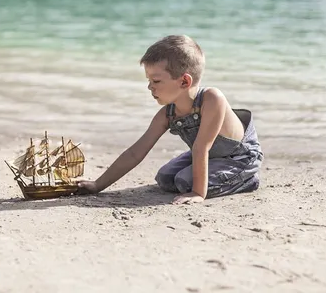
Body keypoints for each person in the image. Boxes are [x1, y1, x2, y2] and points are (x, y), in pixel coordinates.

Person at [76, 35, 263, 204]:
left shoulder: (212, 99)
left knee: (185, 181)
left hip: (239, 157)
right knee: (165, 178)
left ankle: (246, 179)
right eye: (148, 81)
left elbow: (201, 147)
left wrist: (198, 193)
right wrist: (97, 185)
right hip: (207, 155)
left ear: (184, 82)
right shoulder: (168, 113)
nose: (150, 87)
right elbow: (136, 152)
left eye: (156, 81)